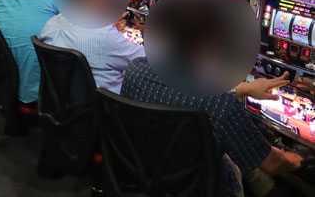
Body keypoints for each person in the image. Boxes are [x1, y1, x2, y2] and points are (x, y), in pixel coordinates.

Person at [122, 57, 303, 196]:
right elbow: (273, 164)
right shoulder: (220, 104)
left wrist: (242, 89)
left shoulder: (135, 69)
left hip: (141, 173)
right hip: (201, 187)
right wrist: (301, 158)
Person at [39, 12, 144, 93]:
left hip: (63, 100)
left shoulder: (52, 23)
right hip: (106, 106)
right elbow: (147, 60)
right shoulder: (105, 35)